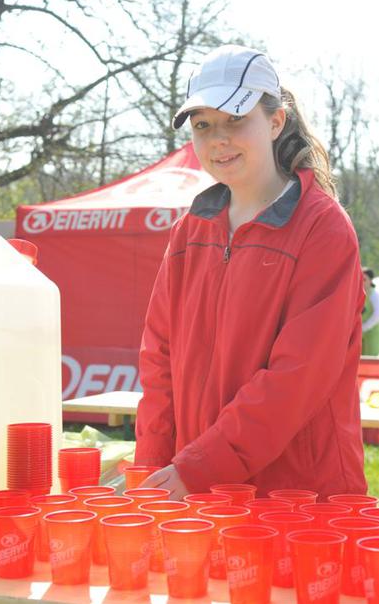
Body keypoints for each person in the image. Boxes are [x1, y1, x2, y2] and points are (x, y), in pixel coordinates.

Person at [134, 45, 367, 500]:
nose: (218, 139)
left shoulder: (322, 228)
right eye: (203, 125)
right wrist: (154, 468)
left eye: (235, 119)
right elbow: (158, 362)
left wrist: (197, 467)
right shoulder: (189, 231)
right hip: (201, 494)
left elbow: (296, 379)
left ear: (276, 122)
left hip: (299, 501)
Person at [362, 267, 379, 356]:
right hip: (360, 333)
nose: (362, 281)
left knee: (370, 359)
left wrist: (364, 327)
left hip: (371, 333)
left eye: (364, 279)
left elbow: (377, 315)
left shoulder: (374, 295)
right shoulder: (359, 293)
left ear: (371, 280)